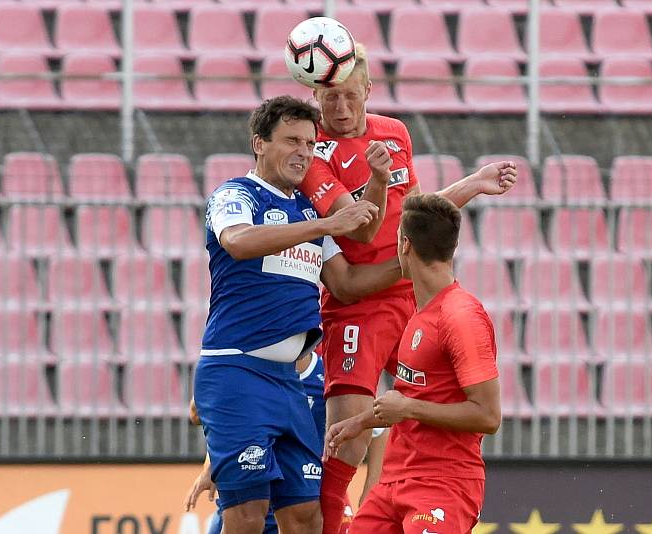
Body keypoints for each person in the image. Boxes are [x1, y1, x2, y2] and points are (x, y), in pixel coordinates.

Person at [298, 43, 517, 533]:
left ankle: (404, 499)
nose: (340, 108)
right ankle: (336, 520)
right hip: (358, 304)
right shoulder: (315, 152)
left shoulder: (394, 132)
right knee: (348, 435)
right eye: (330, 98)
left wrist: (472, 184)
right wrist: (378, 185)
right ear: (315, 94)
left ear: (369, 91)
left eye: (351, 96)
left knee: (418, 400)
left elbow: (417, 214)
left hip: (407, 294)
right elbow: (357, 229)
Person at [192, 95, 402, 534]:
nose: (304, 152)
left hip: (291, 383)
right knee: (247, 517)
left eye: (310, 143)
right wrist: (325, 226)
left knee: (306, 517)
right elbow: (238, 241)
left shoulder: (306, 211)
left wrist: (412, 264)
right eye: (291, 141)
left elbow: (345, 283)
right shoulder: (236, 194)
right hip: (237, 371)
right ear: (259, 144)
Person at [323, 193, 502, 534]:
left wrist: (408, 409)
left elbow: (488, 416)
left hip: (443, 483)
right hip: (394, 481)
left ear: (404, 245)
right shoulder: (419, 315)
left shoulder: (461, 316)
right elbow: (409, 396)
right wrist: (359, 422)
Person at [184, 351, 389, 534]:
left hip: (309, 496)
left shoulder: (330, 374)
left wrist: (370, 492)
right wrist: (210, 463)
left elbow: (377, 427)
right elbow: (207, 412)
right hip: (251, 497)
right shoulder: (251, 367)